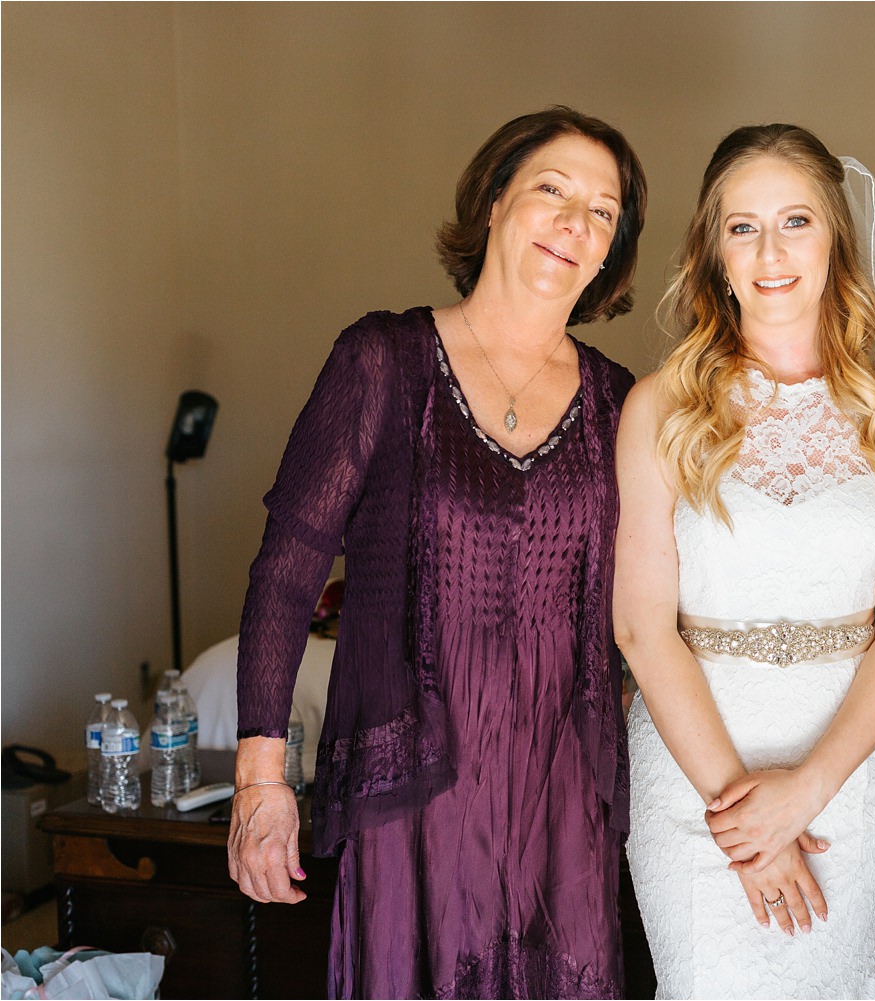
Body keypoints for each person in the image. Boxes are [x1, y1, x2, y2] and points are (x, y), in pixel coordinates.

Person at [227, 106, 646, 999]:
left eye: (604, 212)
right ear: (494, 201)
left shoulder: (622, 404)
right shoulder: (381, 361)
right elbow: (289, 565)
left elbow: (656, 609)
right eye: (552, 190)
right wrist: (261, 776)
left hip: (562, 799)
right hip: (413, 790)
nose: (577, 223)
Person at [613, 124, 875, 999]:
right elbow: (642, 628)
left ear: (835, 239)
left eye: (796, 220)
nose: (771, 250)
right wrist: (744, 813)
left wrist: (805, 792)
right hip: (695, 777)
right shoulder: (660, 409)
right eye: (742, 226)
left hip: (846, 773)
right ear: (713, 251)